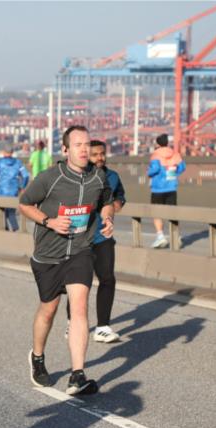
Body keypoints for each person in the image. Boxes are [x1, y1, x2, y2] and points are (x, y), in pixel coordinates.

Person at [18, 125, 114, 395]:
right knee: (49, 310)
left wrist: (107, 218)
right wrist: (49, 221)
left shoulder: (98, 177)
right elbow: (24, 204)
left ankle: (77, 375)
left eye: (87, 145)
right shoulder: (50, 177)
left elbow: (106, 201)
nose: (84, 150)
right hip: (48, 255)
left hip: (81, 251)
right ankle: (37, 357)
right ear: (65, 149)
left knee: (80, 308)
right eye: (78, 145)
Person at [65, 140, 126, 343]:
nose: (100, 158)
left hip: (103, 236)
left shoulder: (112, 176)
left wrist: (115, 205)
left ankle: (103, 327)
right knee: (79, 283)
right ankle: (72, 322)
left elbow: (120, 196)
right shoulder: (77, 175)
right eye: (95, 154)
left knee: (107, 278)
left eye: (102, 154)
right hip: (79, 237)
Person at [147, 133, 185, 249]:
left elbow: (154, 170)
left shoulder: (156, 155)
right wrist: (173, 173)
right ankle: (176, 236)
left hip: (158, 189)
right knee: (172, 213)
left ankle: (160, 237)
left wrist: (149, 172)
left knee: (156, 213)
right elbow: (182, 167)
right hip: (171, 187)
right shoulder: (175, 154)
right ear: (167, 142)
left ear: (158, 143)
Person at [0, 146, 29, 231]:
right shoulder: (18, 163)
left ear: (3, 152)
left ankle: (6, 230)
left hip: (1, 191)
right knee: (11, 212)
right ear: (12, 153)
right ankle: (15, 229)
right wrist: (22, 187)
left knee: (2, 212)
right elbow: (26, 176)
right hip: (14, 191)